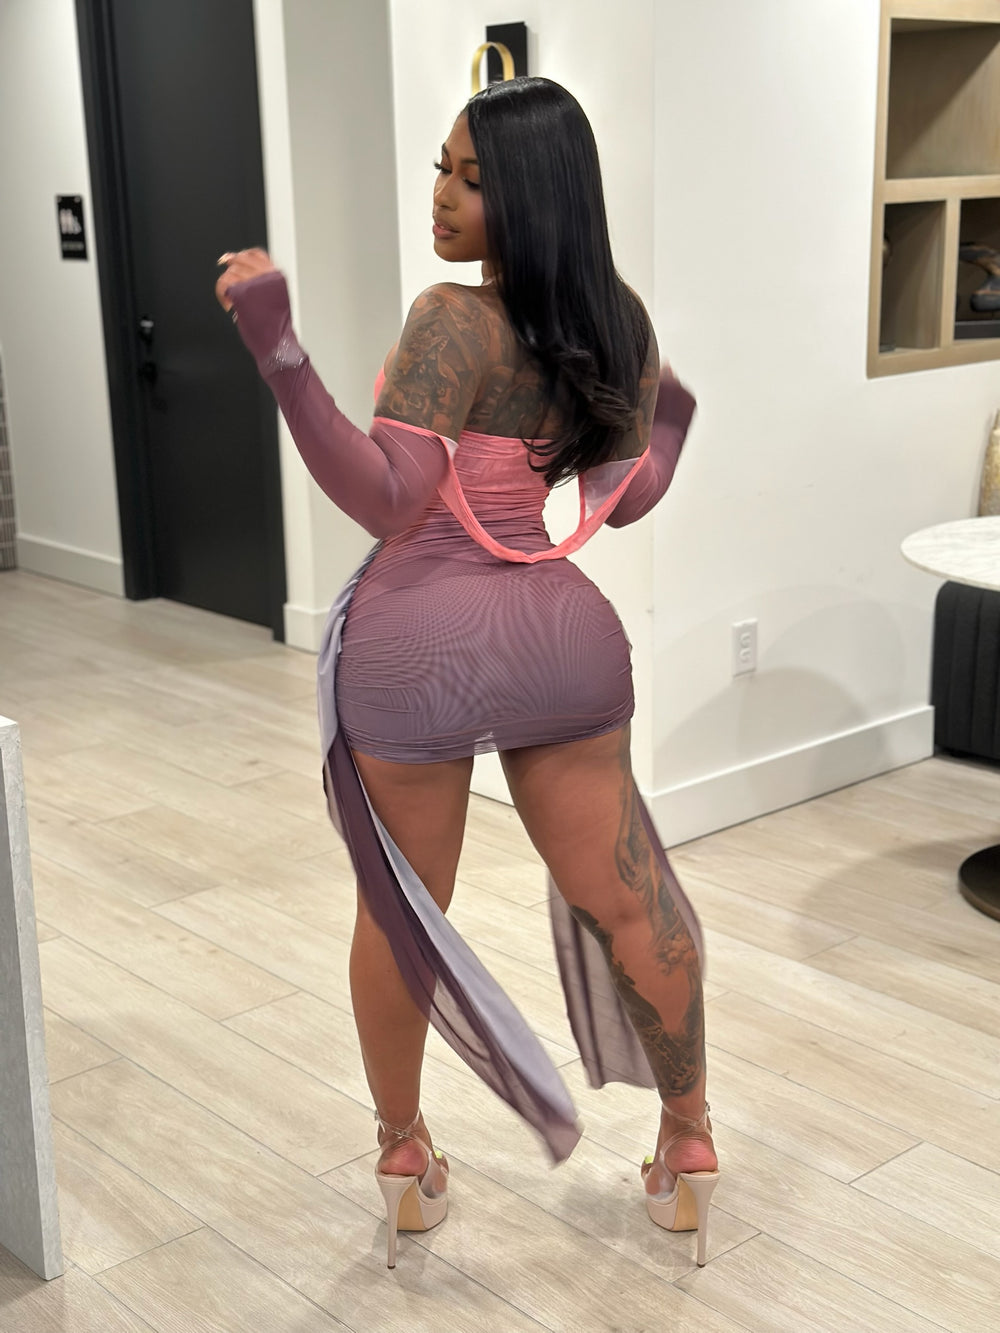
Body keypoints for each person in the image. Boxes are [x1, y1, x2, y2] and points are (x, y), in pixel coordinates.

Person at [216, 75, 718, 1271]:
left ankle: (404, 1157)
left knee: (401, 915)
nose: (441, 196)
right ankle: (689, 1137)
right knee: (630, 895)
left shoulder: (451, 319)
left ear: (535, 194)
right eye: (440, 169)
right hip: (557, 635)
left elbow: (391, 499)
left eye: (473, 179)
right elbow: (625, 499)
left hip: (419, 643)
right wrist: (669, 422)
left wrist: (280, 353)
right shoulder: (618, 321)